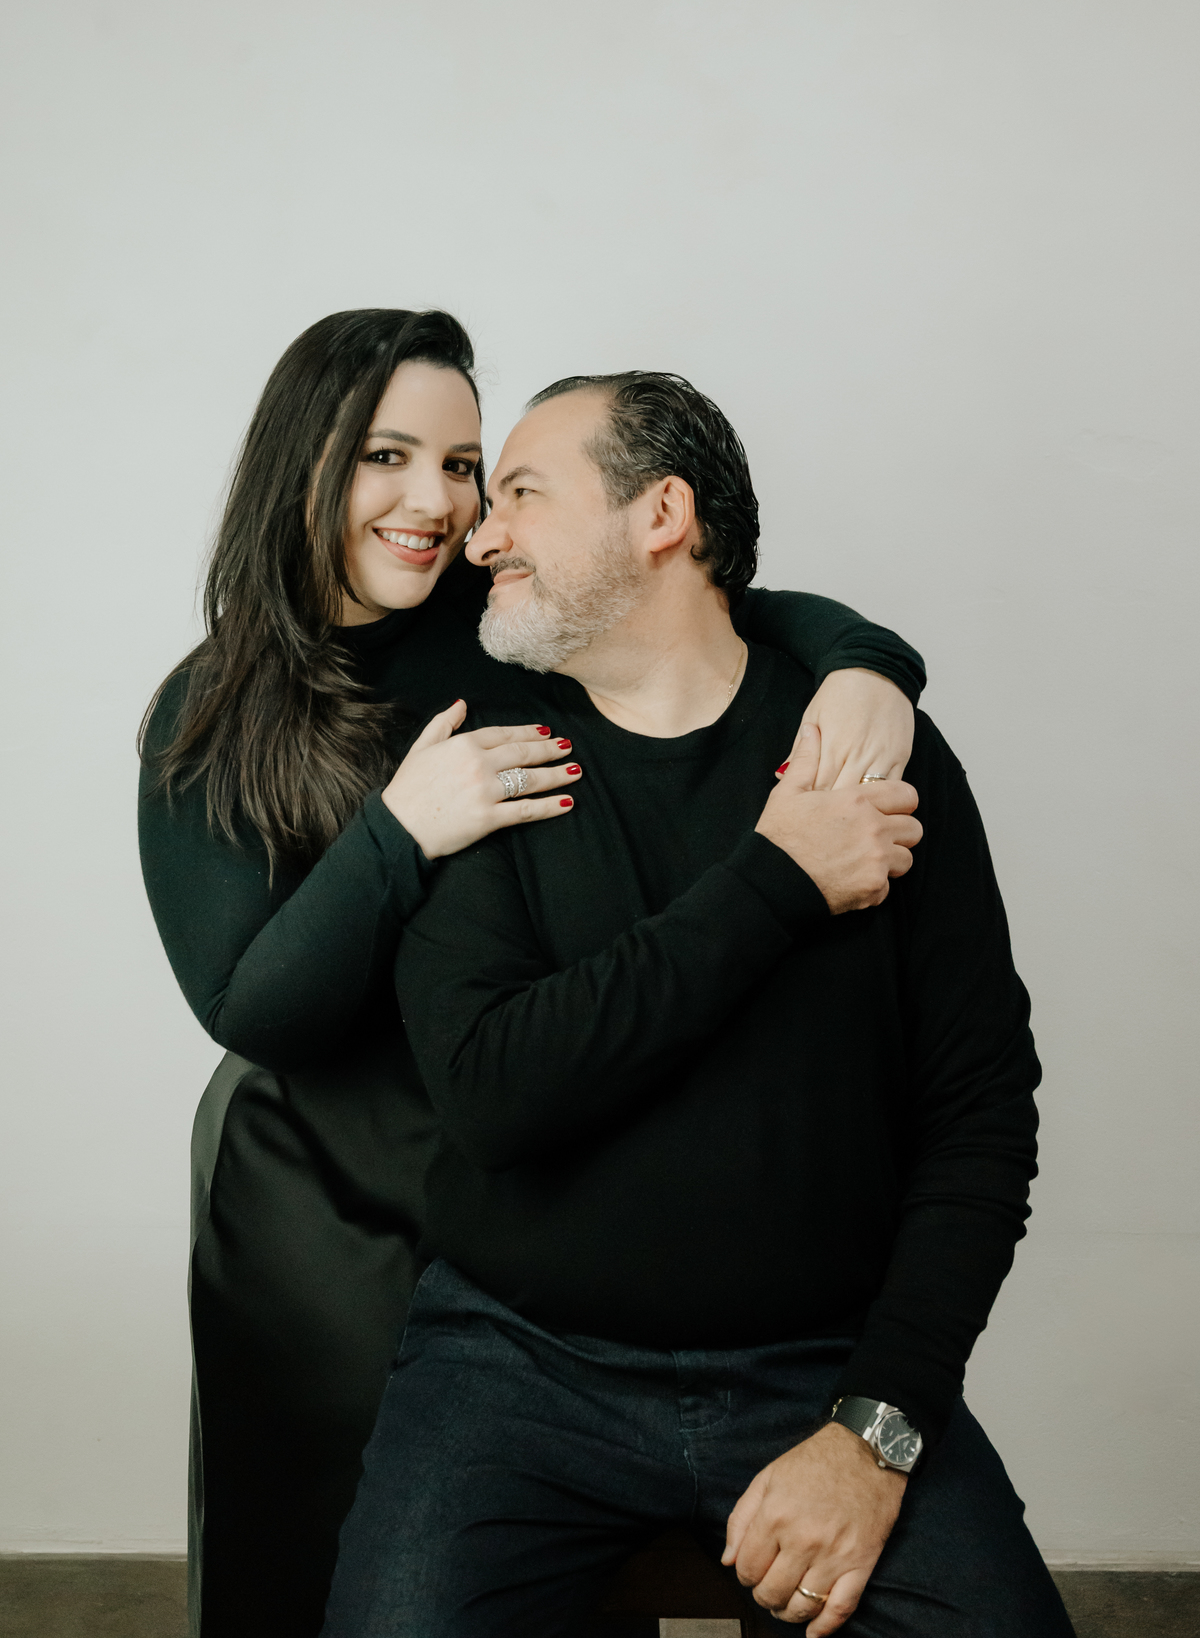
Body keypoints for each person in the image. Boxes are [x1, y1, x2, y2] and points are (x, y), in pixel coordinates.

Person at [138, 311, 929, 1638]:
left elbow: (714, 605)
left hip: (533, 1149)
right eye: (388, 455)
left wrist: (870, 665)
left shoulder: (504, 624)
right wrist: (400, 832)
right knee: (319, 1559)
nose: (437, 503)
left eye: (463, 465)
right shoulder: (213, 702)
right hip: (313, 1194)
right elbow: (251, 1009)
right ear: (304, 460)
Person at [322, 371, 1075, 1638]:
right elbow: (496, 1094)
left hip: (824, 1364)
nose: (480, 535)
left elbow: (983, 1116)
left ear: (661, 513)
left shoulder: (871, 754)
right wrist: (777, 878)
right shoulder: (480, 761)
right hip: (513, 1364)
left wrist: (875, 1431)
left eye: (519, 493)